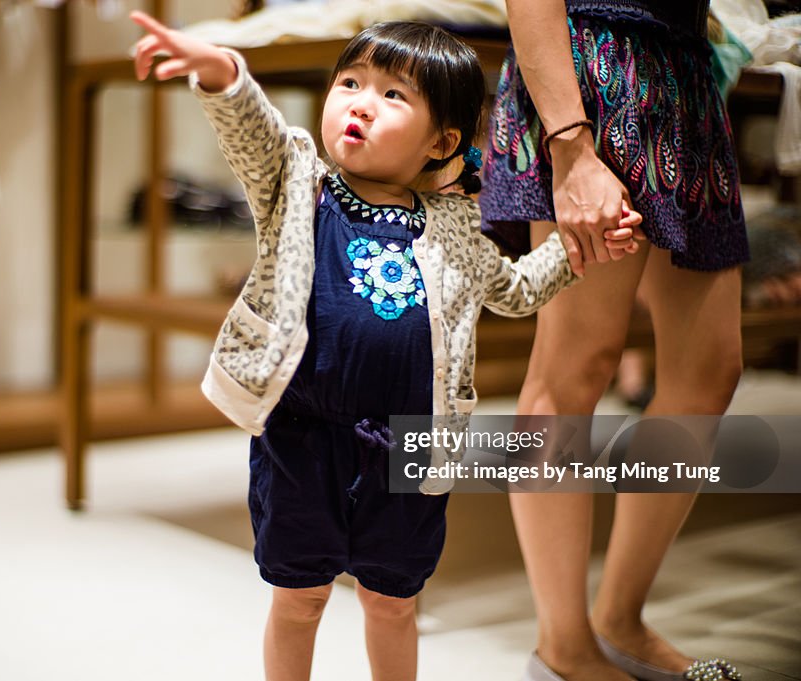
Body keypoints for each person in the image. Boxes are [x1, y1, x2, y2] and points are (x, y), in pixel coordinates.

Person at [132, 11, 640, 681]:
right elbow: (252, 130)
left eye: (393, 95)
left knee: (394, 601)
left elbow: (513, 290)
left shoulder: (455, 226)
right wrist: (221, 70)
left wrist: (576, 250)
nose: (360, 104)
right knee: (300, 595)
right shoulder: (296, 183)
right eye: (350, 82)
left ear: (442, 141)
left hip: (411, 443)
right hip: (302, 433)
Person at [479, 2, 748, 681]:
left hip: (684, 77)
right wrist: (570, 144)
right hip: (589, 75)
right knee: (577, 361)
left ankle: (620, 618)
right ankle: (563, 646)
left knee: (710, 369)